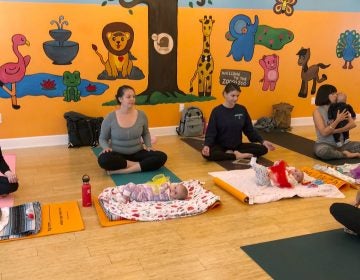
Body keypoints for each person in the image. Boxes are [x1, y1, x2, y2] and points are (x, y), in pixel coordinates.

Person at [97, 85, 167, 174]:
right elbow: (102, 138)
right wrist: (106, 148)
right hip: (118, 154)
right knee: (103, 160)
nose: (132, 99)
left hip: (138, 153)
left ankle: (123, 171)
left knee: (162, 157)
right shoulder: (110, 117)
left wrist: (149, 146)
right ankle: (140, 165)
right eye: (128, 97)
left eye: (134, 97)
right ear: (120, 99)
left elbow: (145, 133)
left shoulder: (142, 115)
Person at [201, 82, 275, 161]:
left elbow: (249, 130)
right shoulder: (216, 111)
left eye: (237, 96)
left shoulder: (242, 109)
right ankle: (237, 156)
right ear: (225, 94)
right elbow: (211, 132)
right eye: (233, 95)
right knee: (207, 155)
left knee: (263, 149)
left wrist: (262, 141)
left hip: (237, 146)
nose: (236, 98)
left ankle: (233, 154)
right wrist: (207, 146)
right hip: (220, 146)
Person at [313, 84, 360, 160]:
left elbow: (352, 124)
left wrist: (334, 130)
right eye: (333, 94)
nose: (336, 95)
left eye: (336, 93)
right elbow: (324, 133)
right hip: (325, 144)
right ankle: (345, 154)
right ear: (325, 95)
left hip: (343, 144)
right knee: (322, 152)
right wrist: (337, 120)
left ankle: (340, 152)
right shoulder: (317, 112)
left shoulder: (341, 107)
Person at [114, 181, 188, 203]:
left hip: (143, 195)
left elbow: (160, 190)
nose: (173, 190)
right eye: (175, 187)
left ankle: (124, 199)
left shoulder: (167, 196)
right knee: (132, 188)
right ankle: (122, 194)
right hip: (143, 191)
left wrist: (166, 185)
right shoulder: (169, 192)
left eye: (175, 193)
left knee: (131, 185)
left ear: (176, 198)